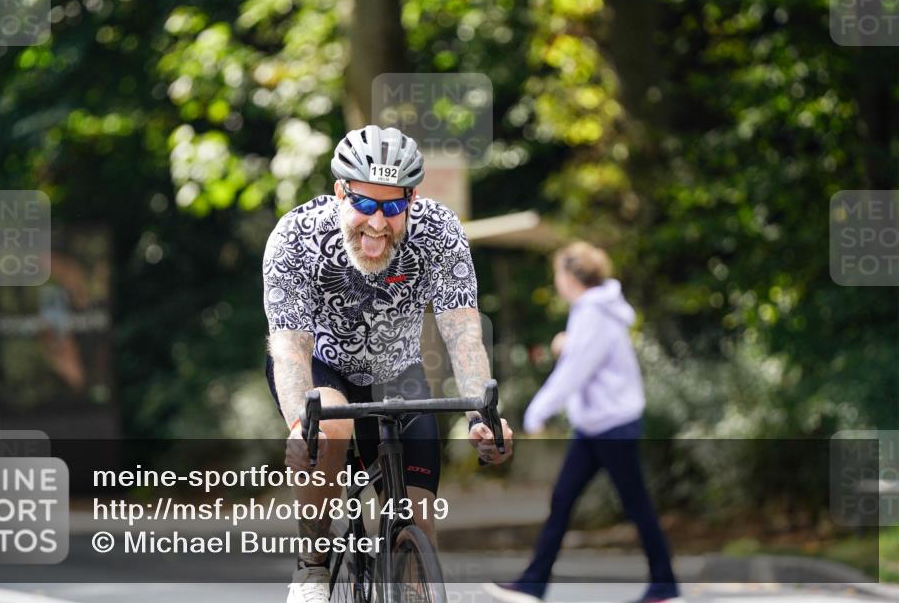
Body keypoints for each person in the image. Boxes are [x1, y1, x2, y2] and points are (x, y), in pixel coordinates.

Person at [263, 124, 515, 603]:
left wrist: (482, 417)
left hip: (397, 372)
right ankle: (313, 565)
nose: (378, 222)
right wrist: (302, 423)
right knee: (328, 428)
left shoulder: (439, 232)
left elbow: (462, 333)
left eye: (394, 206)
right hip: (321, 365)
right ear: (341, 191)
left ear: (412, 200)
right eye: (364, 204)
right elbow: (290, 347)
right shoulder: (295, 236)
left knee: (419, 518)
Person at [486, 242, 681, 603]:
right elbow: (586, 353)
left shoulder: (594, 313)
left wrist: (538, 410)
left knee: (634, 504)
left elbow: (577, 371)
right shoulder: (592, 311)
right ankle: (533, 584)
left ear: (572, 276)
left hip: (611, 426)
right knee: (563, 501)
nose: (557, 281)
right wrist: (567, 344)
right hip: (596, 426)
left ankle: (665, 585)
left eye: (558, 273)